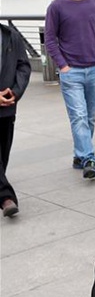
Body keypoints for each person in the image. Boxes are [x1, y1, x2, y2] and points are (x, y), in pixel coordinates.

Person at [44, 0, 95, 180]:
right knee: (79, 116)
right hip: (71, 72)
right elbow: (50, 39)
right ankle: (90, 158)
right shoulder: (56, 6)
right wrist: (63, 65)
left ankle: (79, 155)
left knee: (89, 117)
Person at [0, 23, 31, 218]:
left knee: (3, 153)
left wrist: (16, 91)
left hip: (6, 107)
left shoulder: (10, 35)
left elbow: (23, 65)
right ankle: (5, 197)